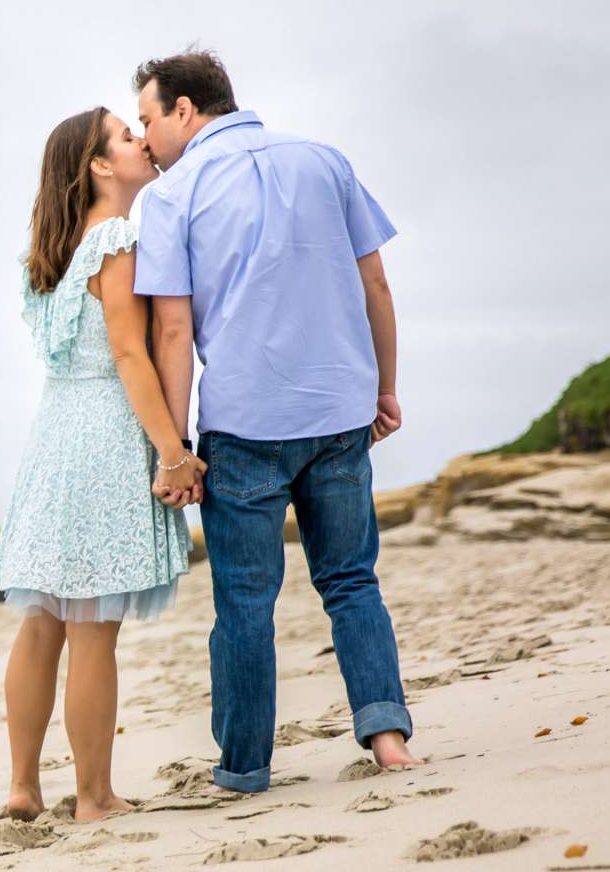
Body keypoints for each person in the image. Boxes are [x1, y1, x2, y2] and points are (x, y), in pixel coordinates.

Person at [132, 47, 420, 793]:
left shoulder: (172, 196)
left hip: (244, 422)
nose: (146, 141)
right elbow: (376, 284)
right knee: (352, 579)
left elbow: (171, 332)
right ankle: (388, 737)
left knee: (245, 604)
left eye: (148, 120)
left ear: (185, 110)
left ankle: (245, 766)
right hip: (338, 409)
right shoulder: (324, 161)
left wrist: (178, 446)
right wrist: (383, 388)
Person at [0, 106, 199, 821]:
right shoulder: (115, 239)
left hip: (53, 436)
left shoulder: (49, 255)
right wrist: (172, 452)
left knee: (43, 620)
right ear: (99, 167)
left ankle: (23, 786)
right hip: (105, 432)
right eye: (124, 135)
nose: (142, 141)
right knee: (90, 627)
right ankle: (94, 796)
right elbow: (129, 352)